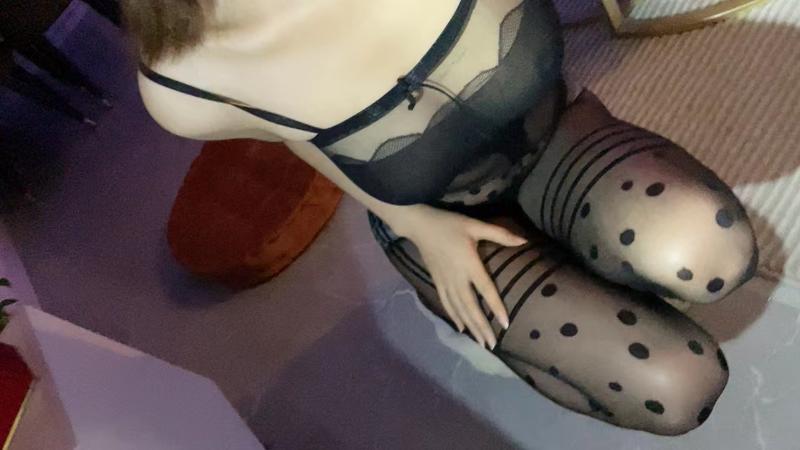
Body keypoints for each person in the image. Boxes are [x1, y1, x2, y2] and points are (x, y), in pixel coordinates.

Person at [123, 0, 757, 435]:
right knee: (675, 386)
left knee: (707, 253)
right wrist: (416, 224)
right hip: (431, 214)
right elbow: (299, 137)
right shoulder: (185, 88)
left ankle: (591, 264)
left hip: (556, 137)